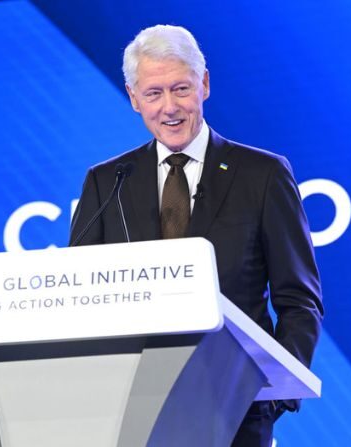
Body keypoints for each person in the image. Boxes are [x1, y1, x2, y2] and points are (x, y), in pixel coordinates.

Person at [69, 24, 323, 447]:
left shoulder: (261, 175)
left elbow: (299, 301)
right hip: (133, 417)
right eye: (153, 94)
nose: (170, 107)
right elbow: (79, 302)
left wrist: (271, 398)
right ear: (133, 99)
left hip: (236, 413)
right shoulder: (107, 182)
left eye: (181, 89)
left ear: (204, 84)